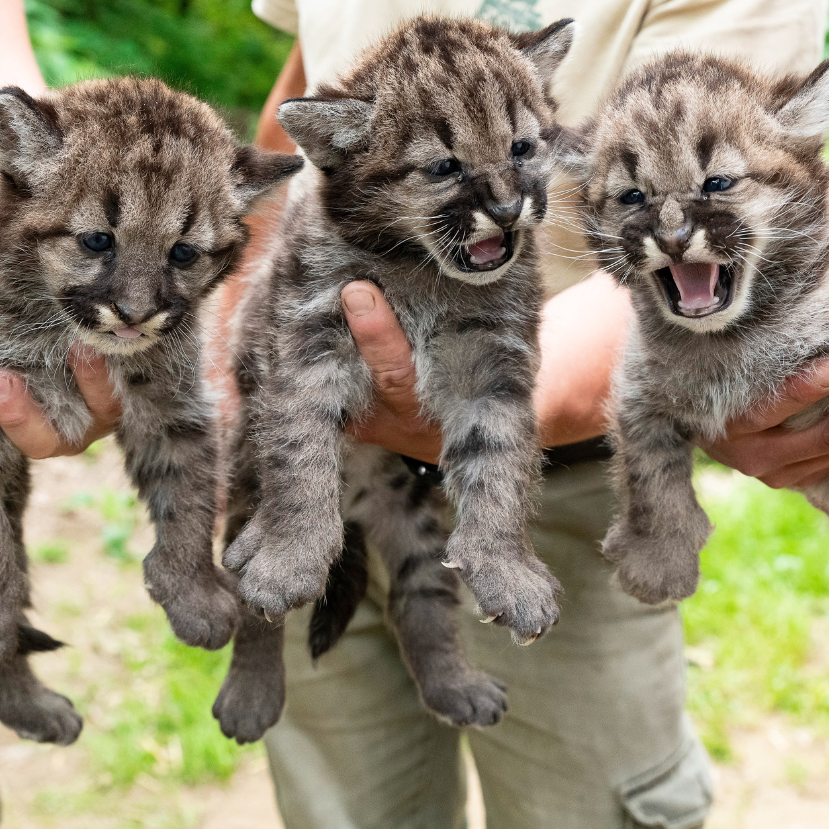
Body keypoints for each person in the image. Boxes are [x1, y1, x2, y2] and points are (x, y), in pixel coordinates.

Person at [2, 0, 829, 826]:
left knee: (584, 801)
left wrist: (463, 417)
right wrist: (213, 364)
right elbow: (304, 95)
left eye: (519, 153)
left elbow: (702, 221)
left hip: (563, 481)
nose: (505, 201)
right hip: (304, 467)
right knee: (342, 797)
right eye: (445, 171)